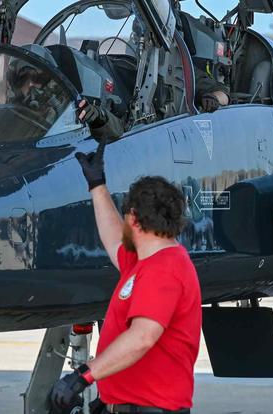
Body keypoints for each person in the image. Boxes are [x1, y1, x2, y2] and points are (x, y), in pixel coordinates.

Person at [50, 140, 202, 414]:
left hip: (150, 409)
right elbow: (113, 238)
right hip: (128, 406)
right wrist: (97, 185)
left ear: (133, 219)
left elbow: (142, 337)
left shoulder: (164, 270)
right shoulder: (144, 260)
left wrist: (82, 376)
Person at [0, 14, 124, 140]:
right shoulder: (3, 116)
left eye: (39, 78)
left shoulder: (72, 118)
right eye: (23, 78)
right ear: (14, 84)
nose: (32, 84)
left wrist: (100, 118)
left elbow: (116, 132)